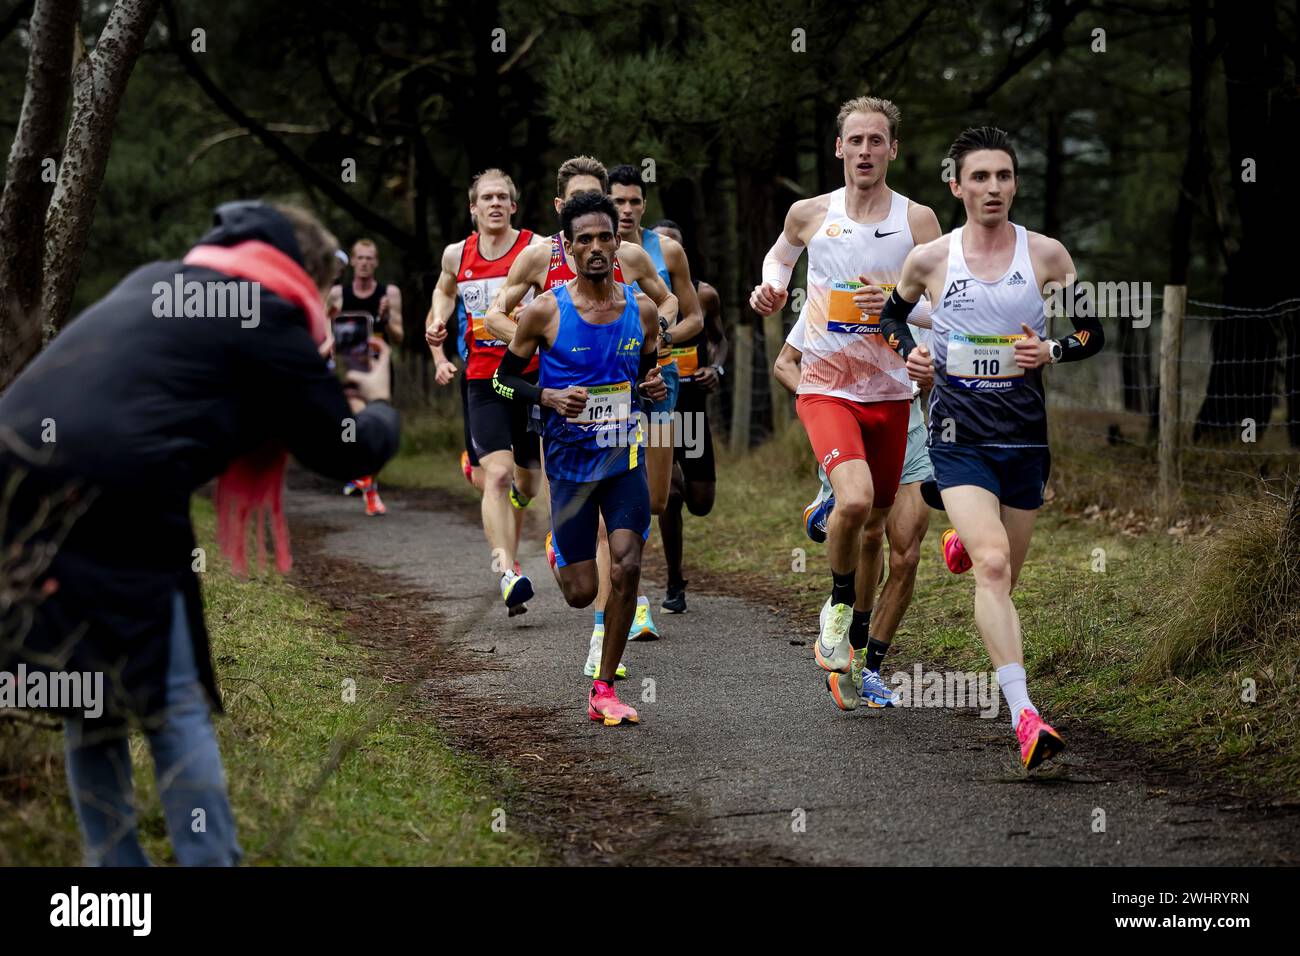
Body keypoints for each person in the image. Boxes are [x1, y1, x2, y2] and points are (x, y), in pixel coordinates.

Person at [0, 200, 400, 864]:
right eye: (324, 294)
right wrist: (379, 401)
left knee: (89, 691)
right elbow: (345, 448)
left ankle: (116, 872)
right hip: (117, 488)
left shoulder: (158, 279)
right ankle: (210, 859)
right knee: (172, 696)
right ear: (297, 270)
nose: (324, 311)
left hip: (17, 477)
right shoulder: (268, 310)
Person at [879, 126, 1104, 769]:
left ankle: (959, 538)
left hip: (1025, 438)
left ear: (1014, 184)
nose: (994, 188)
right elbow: (892, 318)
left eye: (1003, 176)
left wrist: (1052, 350)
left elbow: (1092, 333)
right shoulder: (931, 261)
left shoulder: (1047, 257)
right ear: (957, 186)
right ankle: (1025, 716)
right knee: (995, 566)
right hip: (959, 434)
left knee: (1003, 574)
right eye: (980, 177)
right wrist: (912, 355)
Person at [754, 96, 940, 710]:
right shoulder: (810, 213)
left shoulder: (919, 221)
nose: (865, 151)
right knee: (857, 500)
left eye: (876, 141)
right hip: (826, 385)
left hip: (891, 393)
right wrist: (772, 289)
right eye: (854, 140)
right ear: (839, 149)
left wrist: (894, 302)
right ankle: (836, 609)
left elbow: (945, 306)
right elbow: (780, 258)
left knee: (876, 524)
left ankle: (860, 639)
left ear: (893, 149)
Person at [485, 156, 679, 678]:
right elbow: (505, 381)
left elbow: (642, 378)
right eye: (584, 241)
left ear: (618, 244)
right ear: (568, 249)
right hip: (569, 465)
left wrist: (650, 387)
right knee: (580, 591)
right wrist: (546, 397)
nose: (595, 248)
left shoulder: (640, 310)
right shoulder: (544, 311)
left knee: (628, 563)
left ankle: (604, 683)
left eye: (604, 238)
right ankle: (557, 550)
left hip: (623, 458)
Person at [425, 169, 548, 613]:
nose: (495, 204)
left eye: (503, 197)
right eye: (486, 198)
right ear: (473, 208)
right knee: (494, 476)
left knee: (529, 483)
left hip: (532, 379)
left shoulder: (537, 249)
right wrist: (436, 322)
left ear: (514, 206)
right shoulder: (457, 254)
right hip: (484, 379)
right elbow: (443, 291)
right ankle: (508, 570)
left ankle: (515, 493)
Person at [606, 166, 704, 636]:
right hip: (609, 382)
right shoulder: (594, 248)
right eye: (618, 201)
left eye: (633, 202)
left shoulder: (666, 250)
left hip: (660, 376)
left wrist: (661, 334)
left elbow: (695, 317)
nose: (626, 210)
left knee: (659, 499)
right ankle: (633, 594)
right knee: (617, 482)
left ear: (644, 204)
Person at [650, 220, 727, 613]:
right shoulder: (641, 292)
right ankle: (674, 580)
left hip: (691, 408)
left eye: (672, 245)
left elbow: (718, 338)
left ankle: (676, 577)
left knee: (700, 501)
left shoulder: (703, 295)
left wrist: (717, 369)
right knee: (671, 493)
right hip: (658, 404)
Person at [329, 238, 403, 516]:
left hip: (378, 370)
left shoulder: (389, 294)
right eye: (359, 258)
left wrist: (385, 318)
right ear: (352, 261)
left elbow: (400, 336)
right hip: (350, 368)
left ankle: (367, 482)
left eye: (369, 258)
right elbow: (324, 329)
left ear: (376, 262)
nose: (364, 263)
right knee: (354, 421)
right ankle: (362, 476)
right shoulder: (338, 294)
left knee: (378, 426)